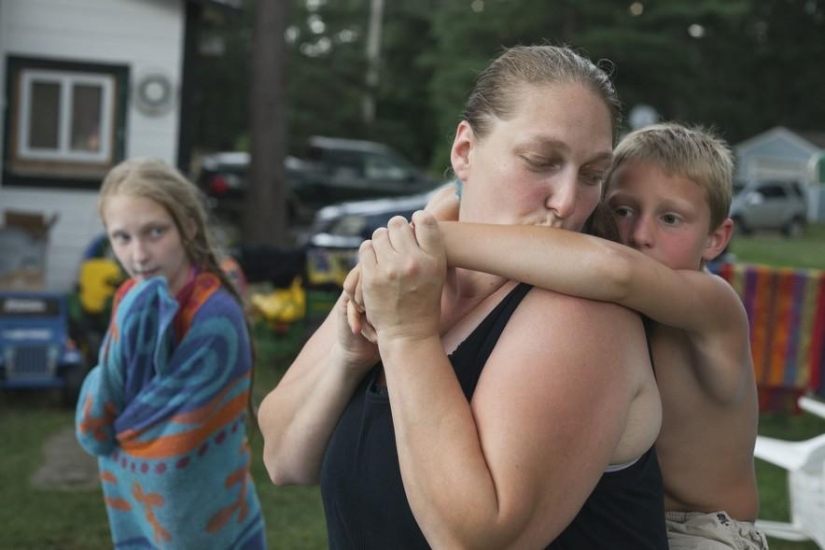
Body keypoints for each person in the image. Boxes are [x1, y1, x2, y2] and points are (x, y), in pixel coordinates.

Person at [259, 44, 668, 549]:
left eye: (591, 175)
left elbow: (475, 540)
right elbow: (282, 458)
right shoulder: (413, 278)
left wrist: (407, 337)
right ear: (464, 152)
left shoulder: (584, 316)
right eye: (541, 161)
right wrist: (351, 353)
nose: (567, 202)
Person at [422, 123, 767, 549]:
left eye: (671, 218)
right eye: (623, 210)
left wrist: (432, 241)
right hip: (626, 516)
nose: (641, 234)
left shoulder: (712, 304)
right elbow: (450, 195)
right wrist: (431, 221)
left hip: (703, 532)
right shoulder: (611, 301)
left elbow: (616, 272)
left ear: (716, 238)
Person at [75, 158, 266, 549]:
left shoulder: (216, 319)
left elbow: (172, 450)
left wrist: (113, 428)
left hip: (209, 518)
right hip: (141, 521)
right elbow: (100, 422)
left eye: (154, 232)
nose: (139, 254)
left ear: (187, 227)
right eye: (122, 238)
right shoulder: (131, 300)